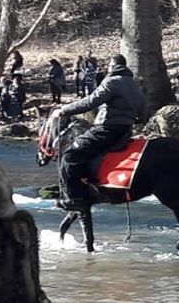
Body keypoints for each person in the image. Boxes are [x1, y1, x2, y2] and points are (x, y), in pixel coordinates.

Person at [53, 54, 147, 211]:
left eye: (109, 66)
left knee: (70, 156)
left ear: (112, 66)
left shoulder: (112, 82)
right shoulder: (134, 85)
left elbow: (91, 102)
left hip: (106, 128)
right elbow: (142, 113)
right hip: (125, 131)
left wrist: (64, 110)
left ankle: (74, 198)